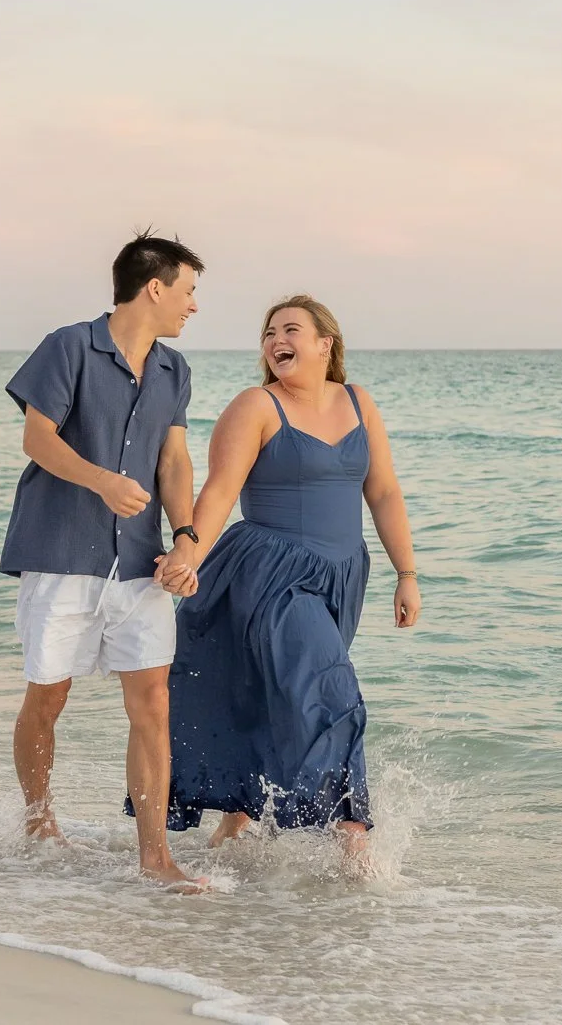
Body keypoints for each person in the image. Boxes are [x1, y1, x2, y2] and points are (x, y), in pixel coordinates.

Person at [152, 295, 420, 870]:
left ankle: (232, 832)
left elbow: (385, 492)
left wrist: (407, 574)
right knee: (331, 692)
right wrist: (188, 551)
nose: (277, 340)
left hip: (343, 574)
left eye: (291, 329)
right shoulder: (257, 405)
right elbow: (221, 490)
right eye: (269, 332)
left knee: (274, 698)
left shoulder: (359, 403)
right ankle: (351, 839)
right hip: (271, 572)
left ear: (327, 342)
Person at [0, 231, 208, 892]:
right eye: (188, 291)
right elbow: (38, 438)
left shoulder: (175, 372)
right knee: (48, 697)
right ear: (155, 287)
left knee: (152, 702)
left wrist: (186, 535)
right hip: (61, 554)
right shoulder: (69, 347)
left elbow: (173, 461)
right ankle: (38, 821)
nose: (192, 307)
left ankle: (156, 859)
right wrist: (101, 481)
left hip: (141, 562)